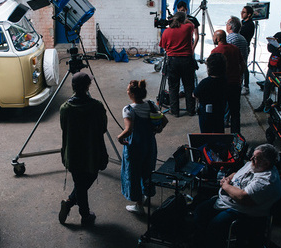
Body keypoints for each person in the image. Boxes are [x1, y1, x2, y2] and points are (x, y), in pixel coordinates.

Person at [193, 144, 281, 248]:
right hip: (228, 200)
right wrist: (228, 179)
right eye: (252, 156)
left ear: (266, 163)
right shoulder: (255, 164)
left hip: (242, 211)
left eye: (255, 158)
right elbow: (236, 173)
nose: (251, 159)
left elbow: (242, 197)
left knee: (215, 227)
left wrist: (225, 186)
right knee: (200, 211)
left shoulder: (266, 181)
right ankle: (202, 241)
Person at [58, 72, 108, 227]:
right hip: (92, 152)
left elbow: (63, 128)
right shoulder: (97, 107)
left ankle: (70, 202)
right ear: (88, 87)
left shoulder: (65, 108)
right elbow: (103, 128)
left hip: (73, 153)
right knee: (86, 180)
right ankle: (84, 215)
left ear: (73, 87)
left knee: (79, 182)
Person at [117, 79, 157, 214]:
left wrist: (120, 137)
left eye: (128, 89)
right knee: (148, 170)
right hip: (149, 143)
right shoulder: (152, 105)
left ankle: (139, 205)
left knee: (133, 173)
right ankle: (146, 195)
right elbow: (164, 120)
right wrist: (158, 129)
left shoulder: (128, 109)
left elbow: (128, 130)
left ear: (131, 94)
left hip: (135, 146)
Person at [159, 11, 196, 117]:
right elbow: (191, 24)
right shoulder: (188, 28)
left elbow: (163, 46)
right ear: (183, 20)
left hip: (173, 61)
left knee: (173, 87)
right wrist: (185, 19)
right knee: (189, 86)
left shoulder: (167, 31)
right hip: (187, 61)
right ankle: (191, 110)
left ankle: (175, 111)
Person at [255, 18, 281, 112]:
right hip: (273, 65)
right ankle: (264, 103)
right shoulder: (277, 35)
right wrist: (278, 49)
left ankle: (278, 105)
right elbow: (270, 47)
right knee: (268, 84)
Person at [211, 30, 245, 134]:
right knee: (235, 112)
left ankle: (220, 136)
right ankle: (236, 136)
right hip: (235, 84)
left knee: (219, 112)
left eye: (214, 37)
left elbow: (213, 71)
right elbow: (242, 65)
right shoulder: (235, 49)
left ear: (218, 38)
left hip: (222, 85)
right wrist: (239, 76)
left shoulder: (216, 51)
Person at [193, 53, 227, 133]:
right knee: (219, 132)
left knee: (206, 134)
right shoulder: (225, 81)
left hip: (206, 113)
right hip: (220, 111)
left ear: (209, 68)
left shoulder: (205, 82)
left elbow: (195, 94)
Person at [225, 16, 248, 128]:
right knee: (235, 103)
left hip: (230, 75)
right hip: (239, 74)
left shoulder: (230, 39)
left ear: (230, 26)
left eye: (227, 23)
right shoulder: (243, 39)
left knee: (227, 101)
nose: (226, 25)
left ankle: (225, 120)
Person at [176, 1, 200, 98]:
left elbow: (197, 36)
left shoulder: (193, 20)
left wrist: (193, 48)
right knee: (180, 69)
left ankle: (195, 89)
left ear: (186, 10)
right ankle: (182, 90)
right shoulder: (175, 20)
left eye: (183, 10)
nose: (182, 12)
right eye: (180, 11)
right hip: (180, 47)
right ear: (177, 10)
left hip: (189, 46)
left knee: (191, 69)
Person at [239, 6, 255, 95]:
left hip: (244, 47)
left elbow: (243, 34)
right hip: (240, 46)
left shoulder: (249, 25)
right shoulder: (243, 22)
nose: (242, 13)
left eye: (244, 12)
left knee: (244, 66)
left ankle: (246, 86)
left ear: (249, 14)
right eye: (242, 11)